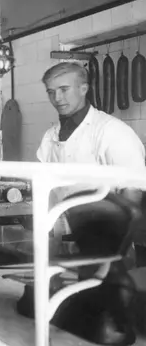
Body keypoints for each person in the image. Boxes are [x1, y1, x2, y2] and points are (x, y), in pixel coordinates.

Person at [37, 61, 146, 258]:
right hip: (62, 235)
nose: (57, 98)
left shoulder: (111, 130)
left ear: (83, 89)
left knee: (107, 278)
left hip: (107, 238)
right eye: (51, 92)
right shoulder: (50, 136)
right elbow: (46, 188)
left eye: (64, 89)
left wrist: (117, 241)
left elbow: (134, 189)